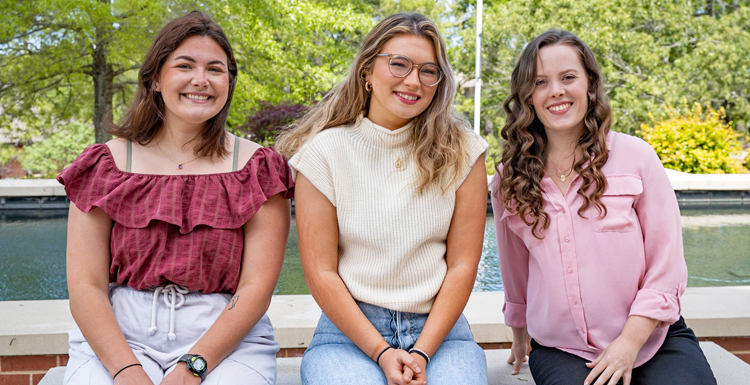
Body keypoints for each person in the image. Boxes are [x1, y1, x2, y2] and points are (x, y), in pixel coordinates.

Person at [57, 11, 293, 385]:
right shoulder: (105, 165)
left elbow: (255, 289)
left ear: (229, 83)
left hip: (226, 339)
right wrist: (126, 370)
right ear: (155, 79)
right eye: (185, 65)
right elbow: (86, 286)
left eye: (215, 70)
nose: (201, 80)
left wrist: (192, 368)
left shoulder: (258, 168)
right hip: (123, 334)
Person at [490, 30, 716, 385]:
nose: (557, 91)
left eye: (568, 77)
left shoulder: (636, 157)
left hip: (654, 337)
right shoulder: (509, 177)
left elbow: (666, 264)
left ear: (589, 83)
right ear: (527, 96)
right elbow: (514, 267)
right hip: (561, 349)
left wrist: (628, 343)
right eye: (540, 82)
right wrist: (519, 335)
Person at [275, 12, 488, 385]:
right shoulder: (324, 153)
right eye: (399, 64)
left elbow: (462, 267)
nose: (413, 80)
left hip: (441, 332)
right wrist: (382, 352)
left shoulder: (463, 151)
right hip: (347, 334)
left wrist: (421, 350)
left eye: (428, 70)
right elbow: (321, 273)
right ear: (367, 73)